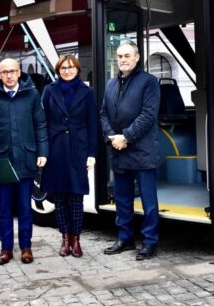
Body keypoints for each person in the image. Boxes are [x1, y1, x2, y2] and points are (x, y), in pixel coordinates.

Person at [0, 58, 48, 265]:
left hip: (27, 159)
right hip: (2, 162)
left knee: (26, 208)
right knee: (4, 208)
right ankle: (6, 248)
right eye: (4, 72)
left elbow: (41, 125)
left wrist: (43, 151)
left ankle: (26, 247)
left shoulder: (32, 95)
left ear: (19, 73)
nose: (9, 75)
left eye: (12, 71)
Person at [100, 40, 161, 260]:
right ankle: (125, 239)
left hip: (141, 151)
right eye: (120, 56)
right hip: (118, 150)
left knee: (148, 202)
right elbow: (103, 114)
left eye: (127, 56)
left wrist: (125, 137)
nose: (123, 60)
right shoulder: (110, 84)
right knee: (122, 199)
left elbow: (148, 116)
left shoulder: (149, 82)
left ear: (137, 57)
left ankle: (150, 242)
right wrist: (112, 138)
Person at [40, 54, 98, 258]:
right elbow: (42, 122)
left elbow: (93, 124)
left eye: (71, 67)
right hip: (56, 151)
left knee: (76, 197)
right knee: (60, 197)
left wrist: (92, 154)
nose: (67, 70)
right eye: (63, 68)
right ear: (58, 70)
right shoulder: (49, 90)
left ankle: (76, 239)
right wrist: (43, 151)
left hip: (79, 150)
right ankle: (65, 238)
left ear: (77, 70)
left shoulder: (87, 92)